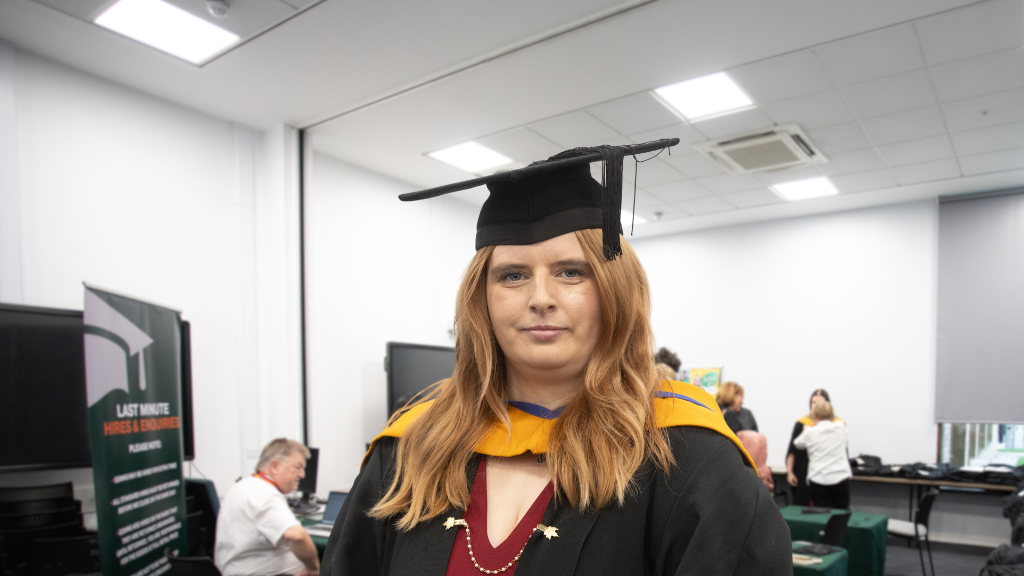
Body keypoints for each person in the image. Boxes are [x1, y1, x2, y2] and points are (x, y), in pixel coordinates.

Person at [320, 141, 791, 576]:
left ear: (616, 292)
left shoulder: (689, 459)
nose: (540, 298)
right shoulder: (411, 447)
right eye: (512, 275)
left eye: (571, 272)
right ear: (480, 299)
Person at [215, 438, 320, 576]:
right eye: (298, 467)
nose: (302, 474)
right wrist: (313, 568)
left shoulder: (241, 486)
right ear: (275, 466)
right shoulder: (264, 493)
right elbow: (297, 535)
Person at [786, 389, 841, 505]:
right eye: (813, 402)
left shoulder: (837, 426)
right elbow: (793, 450)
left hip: (827, 476)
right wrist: (790, 472)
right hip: (802, 473)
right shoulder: (802, 423)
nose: (816, 406)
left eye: (820, 403)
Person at [793, 400, 852, 509]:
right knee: (842, 513)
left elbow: (797, 444)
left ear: (813, 415)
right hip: (840, 477)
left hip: (818, 479)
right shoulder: (841, 427)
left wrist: (806, 429)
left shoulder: (810, 432)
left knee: (821, 516)